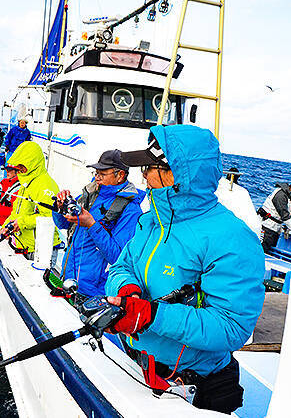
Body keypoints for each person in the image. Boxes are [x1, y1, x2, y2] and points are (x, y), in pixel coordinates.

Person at [105, 125, 265, 414]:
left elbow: (232, 328)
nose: (142, 175)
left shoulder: (233, 238)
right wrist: (128, 290)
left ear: (175, 173)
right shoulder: (151, 220)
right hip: (136, 367)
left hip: (191, 390)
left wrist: (152, 316)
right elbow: (120, 267)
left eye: (148, 167)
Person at [53, 150, 145, 298]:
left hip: (95, 294)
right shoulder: (91, 192)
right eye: (96, 173)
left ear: (120, 175)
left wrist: (91, 224)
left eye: (102, 173)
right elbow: (63, 224)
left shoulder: (131, 211)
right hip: (70, 283)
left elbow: (118, 257)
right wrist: (59, 207)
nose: (97, 177)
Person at [0, 141, 60, 259]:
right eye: (18, 166)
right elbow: (17, 212)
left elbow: (51, 217)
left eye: (22, 166)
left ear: (33, 162)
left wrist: (21, 223)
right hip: (25, 245)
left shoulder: (45, 185)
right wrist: (6, 226)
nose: (20, 169)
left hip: (41, 248)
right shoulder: (25, 181)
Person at [258, 182, 291, 253]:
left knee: (269, 249)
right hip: (267, 225)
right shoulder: (281, 195)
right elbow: (283, 213)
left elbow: (287, 213)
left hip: (275, 228)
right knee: (262, 250)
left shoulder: (287, 195)